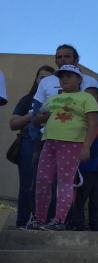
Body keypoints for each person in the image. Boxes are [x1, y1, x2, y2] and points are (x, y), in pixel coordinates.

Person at [25, 65, 98, 232]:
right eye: (62, 76)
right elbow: (37, 121)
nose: (64, 79)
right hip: (49, 141)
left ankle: (59, 220)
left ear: (79, 79)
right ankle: (39, 218)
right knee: (42, 181)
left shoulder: (86, 98)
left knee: (65, 182)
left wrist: (86, 146)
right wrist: (38, 119)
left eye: (69, 76)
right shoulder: (52, 99)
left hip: (72, 143)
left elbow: (94, 123)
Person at [9, 65, 54, 228]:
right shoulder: (27, 100)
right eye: (42, 77)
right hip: (29, 142)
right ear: (37, 79)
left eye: (48, 78)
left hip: (51, 142)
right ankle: (22, 223)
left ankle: (45, 222)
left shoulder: (60, 100)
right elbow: (13, 124)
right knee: (27, 184)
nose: (44, 81)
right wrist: (33, 114)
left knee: (49, 185)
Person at [67, 86, 98, 232]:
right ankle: (77, 223)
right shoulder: (79, 117)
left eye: (91, 96)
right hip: (84, 164)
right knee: (80, 196)